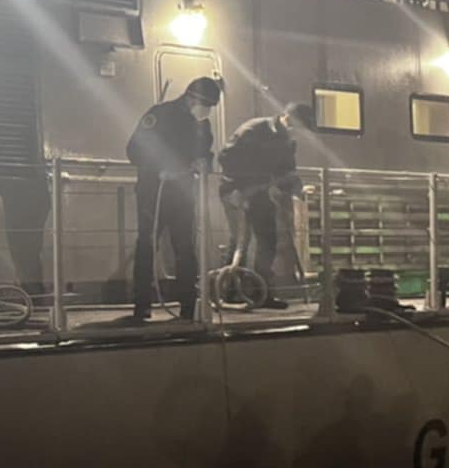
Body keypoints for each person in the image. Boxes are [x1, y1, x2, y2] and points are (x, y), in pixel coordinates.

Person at [126, 76, 223, 322]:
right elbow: (135, 150)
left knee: (185, 248)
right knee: (147, 245)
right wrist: (161, 167)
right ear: (191, 98)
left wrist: (205, 163)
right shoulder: (159, 115)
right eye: (206, 105)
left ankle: (188, 305)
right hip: (153, 191)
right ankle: (141, 304)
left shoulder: (201, 125)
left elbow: (206, 153)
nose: (207, 111)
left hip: (182, 193)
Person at [218, 103, 314, 309]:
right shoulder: (254, 130)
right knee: (240, 241)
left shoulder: (288, 142)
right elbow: (226, 157)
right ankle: (230, 292)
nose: (298, 133)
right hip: (236, 191)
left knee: (268, 239)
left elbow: (287, 171)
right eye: (298, 127)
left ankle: (261, 293)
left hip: (260, 192)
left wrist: (296, 187)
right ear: (287, 118)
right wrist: (236, 188)